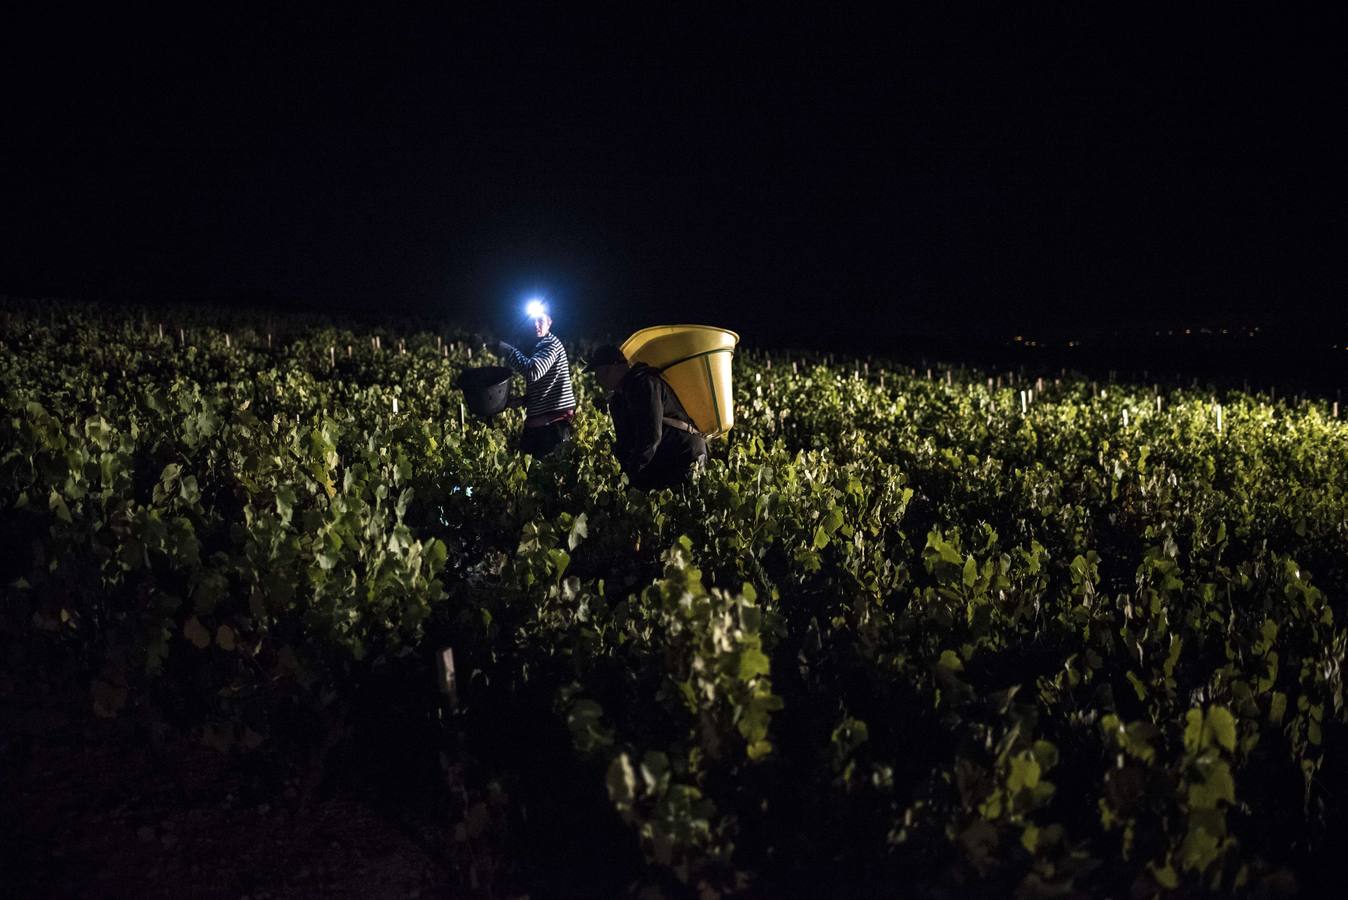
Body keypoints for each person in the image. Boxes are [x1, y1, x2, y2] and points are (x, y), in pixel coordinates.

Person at [587, 345, 707, 489]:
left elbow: (651, 437)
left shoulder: (645, 384)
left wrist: (629, 476)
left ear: (613, 367)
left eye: (599, 372)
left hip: (684, 455)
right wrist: (617, 473)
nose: (597, 378)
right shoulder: (617, 401)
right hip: (662, 458)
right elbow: (625, 444)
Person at [496, 305, 576, 456]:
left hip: (553, 426)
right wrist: (522, 401)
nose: (535, 325)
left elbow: (533, 371)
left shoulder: (551, 345)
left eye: (540, 320)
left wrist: (507, 351)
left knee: (545, 473)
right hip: (542, 424)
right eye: (532, 321)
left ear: (549, 322)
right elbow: (545, 386)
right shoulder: (539, 346)